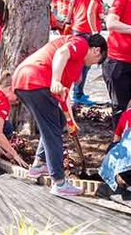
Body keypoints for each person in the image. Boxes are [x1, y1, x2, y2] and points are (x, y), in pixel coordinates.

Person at [12, 32, 108, 200]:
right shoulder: (81, 43)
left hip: (26, 81)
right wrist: (55, 80)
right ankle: (59, 182)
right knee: (52, 132)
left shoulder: (75, 63)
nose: (93, 65)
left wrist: (71, 121)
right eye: (97, 62)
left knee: (58, 122)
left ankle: (39, 164)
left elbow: (64, 96)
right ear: (96, 51)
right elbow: (61, 53)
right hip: (35, 80)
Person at [66, 0, 113, 106]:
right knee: (85, 64)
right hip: (86, 29)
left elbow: (73, 2)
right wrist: (95, 32)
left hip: (76, 26)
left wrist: (68, 20)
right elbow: (90, 12)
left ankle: (75, 93)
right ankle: (78, 95)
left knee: (75, 61)